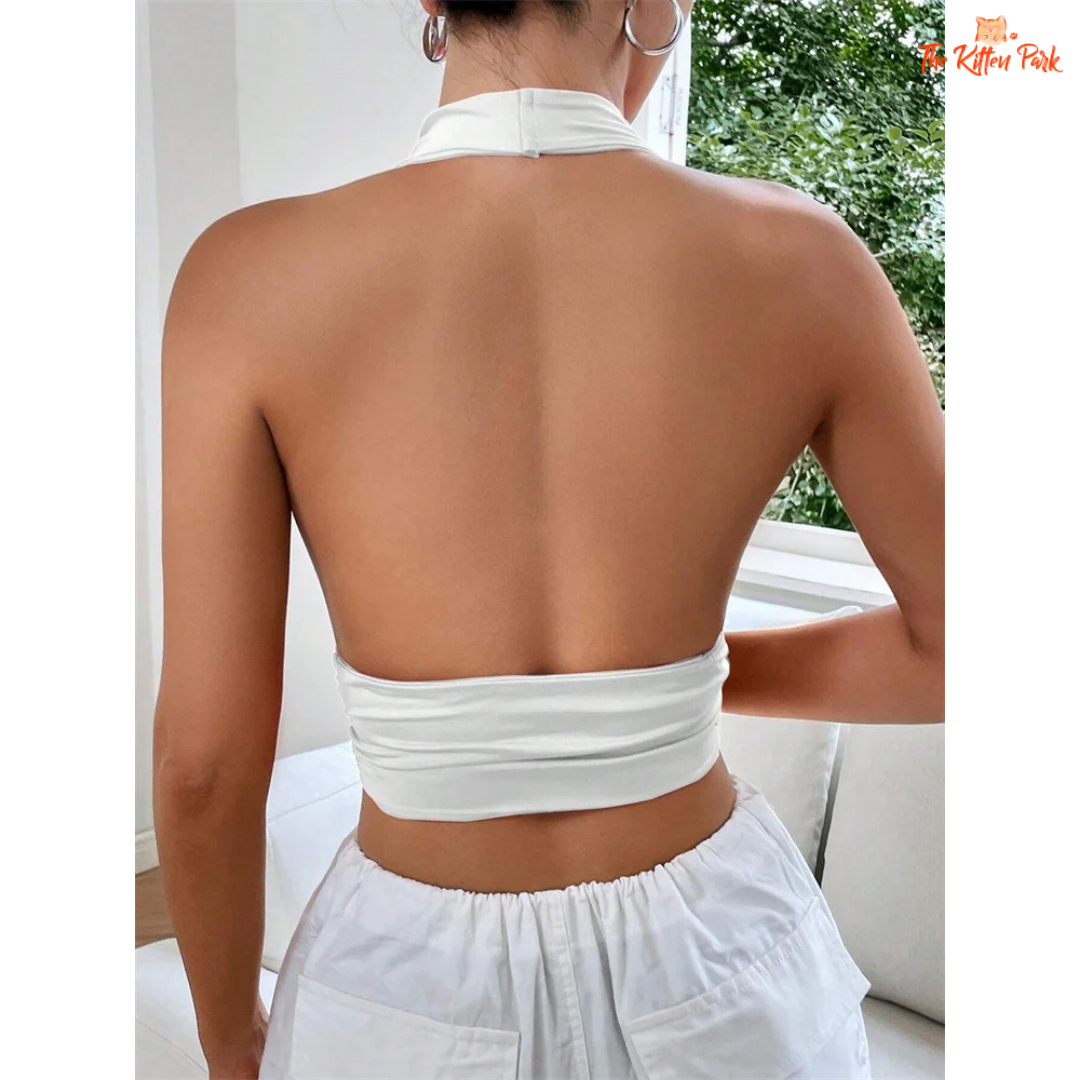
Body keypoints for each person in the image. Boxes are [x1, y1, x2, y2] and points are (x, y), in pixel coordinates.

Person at [151, 0, 944, 1077]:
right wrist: (676, 686)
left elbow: (203, 769)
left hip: (404, 986)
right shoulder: (805, 260)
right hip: (720, 968)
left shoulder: (246, 277)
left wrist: (229, 1038)